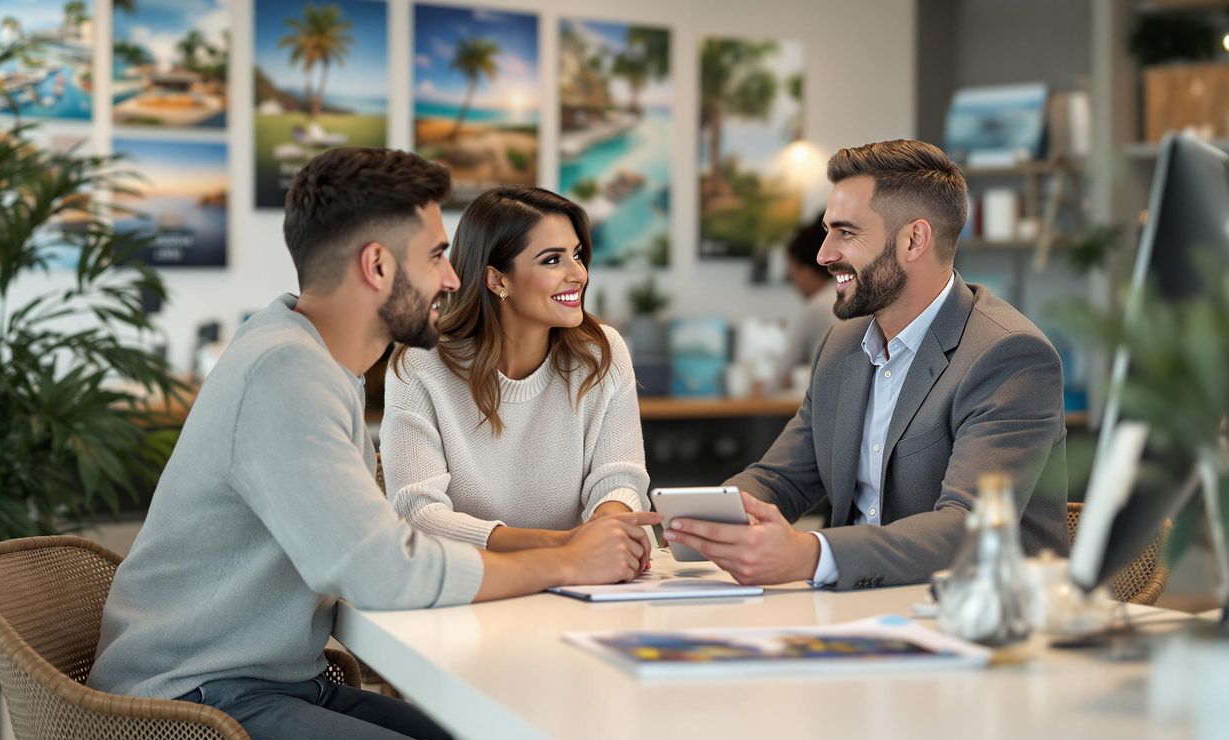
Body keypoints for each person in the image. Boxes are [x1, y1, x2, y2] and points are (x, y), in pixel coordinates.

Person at [87, 148, 658, 740]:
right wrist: (565, 563)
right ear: (379, 265)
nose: (451, 279)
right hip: (197, 707)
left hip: (272, 683)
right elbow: (384, 569)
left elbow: (373, 546)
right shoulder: (285, 374)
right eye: (437, 256)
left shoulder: (314, 360)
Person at [664, 139, 1068, 590]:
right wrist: (694, 524)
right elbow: (783, 477)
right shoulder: (843, 344)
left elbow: (969, 528)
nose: (824, 254)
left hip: (982, 623)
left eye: (846, 233)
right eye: (827, 231)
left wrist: (810, 554)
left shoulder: (1008, 356)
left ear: (914, 239)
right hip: (860, 611)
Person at [382, 186, 651, 553]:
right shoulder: (420, 364)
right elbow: (418, 513)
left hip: (579, 582)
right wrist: (565, 547)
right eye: (552, 260)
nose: (579, 274)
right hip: (475, 585)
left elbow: (619, 478)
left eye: (576, 255)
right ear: (497, 280)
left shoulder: (601, 352)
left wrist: (608, 532)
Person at [772, 212, 838, 390]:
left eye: (792, 278)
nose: (796, 287)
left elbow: (780, 376)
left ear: (806, 271)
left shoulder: (817, 308)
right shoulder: (850, 294)